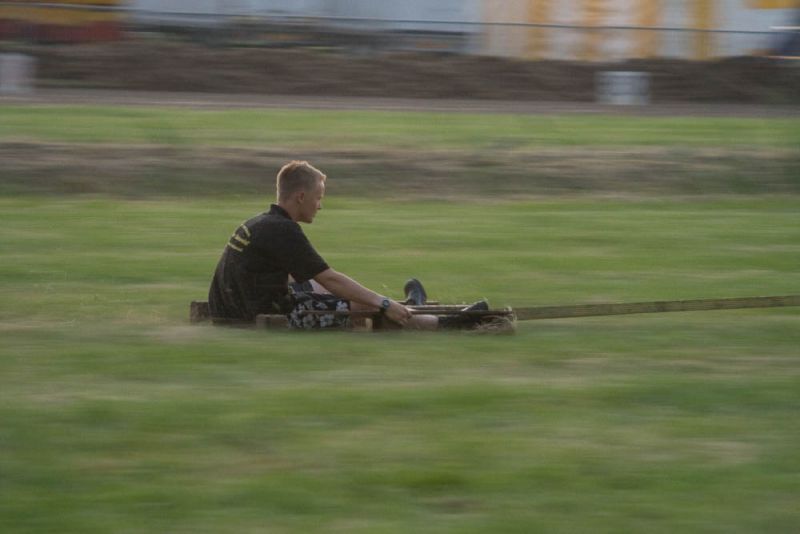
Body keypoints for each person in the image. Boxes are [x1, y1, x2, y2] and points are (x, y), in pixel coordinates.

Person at [208, 160, 442, 330]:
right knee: (366, 305)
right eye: (318, 198)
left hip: (231, 306)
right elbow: (330, 279)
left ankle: (409, 305)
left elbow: (301, 276)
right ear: (301, 197)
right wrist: (383, 302)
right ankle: (432, 319)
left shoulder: (261, 222)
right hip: (264, 313)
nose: (320, 206)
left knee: (312, 283)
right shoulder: (284, 230)